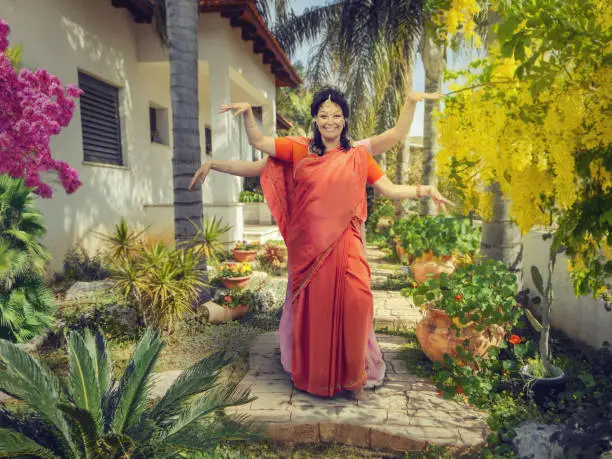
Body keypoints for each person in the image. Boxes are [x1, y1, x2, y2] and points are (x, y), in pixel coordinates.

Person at [190, 87, 453, 400]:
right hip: (310, 252)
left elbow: (390, 187)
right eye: (324, 115)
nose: (331, 121)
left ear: (345, 120)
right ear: (315, 119)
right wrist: (246, 117)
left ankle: (354, 381)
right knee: (318, 316)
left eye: (337, 115)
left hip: (348, 246)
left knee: (357, 306)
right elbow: (259, 145)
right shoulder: (300, 151)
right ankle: (318, 378)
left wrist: (426, 188)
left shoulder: (357, 155)